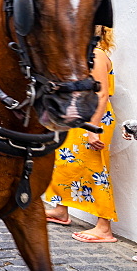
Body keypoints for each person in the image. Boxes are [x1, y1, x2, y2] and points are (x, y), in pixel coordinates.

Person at [44, 26, 118, 243]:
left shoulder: (96, 55)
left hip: (94, 119)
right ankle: (60, 210)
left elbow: (102, 94)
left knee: (96, 170)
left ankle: (104, 228)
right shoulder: (84, 55)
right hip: (79, 118)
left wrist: (93, 128)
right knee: (63, 163)